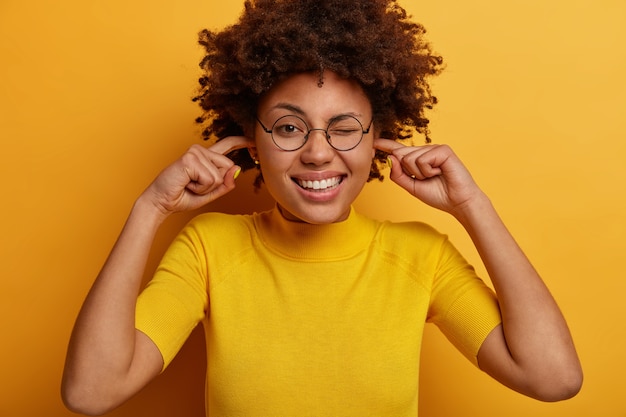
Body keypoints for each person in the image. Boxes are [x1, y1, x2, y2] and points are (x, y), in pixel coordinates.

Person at [61, 0, 583, 415]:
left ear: (378, 137)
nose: (316, 151)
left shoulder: (421, 257)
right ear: (251, 141)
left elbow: (553, 378)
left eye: (344, 128)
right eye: (288, 127)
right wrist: (150, 207)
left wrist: (472, 206)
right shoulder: (209, 248)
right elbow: (90, 393)